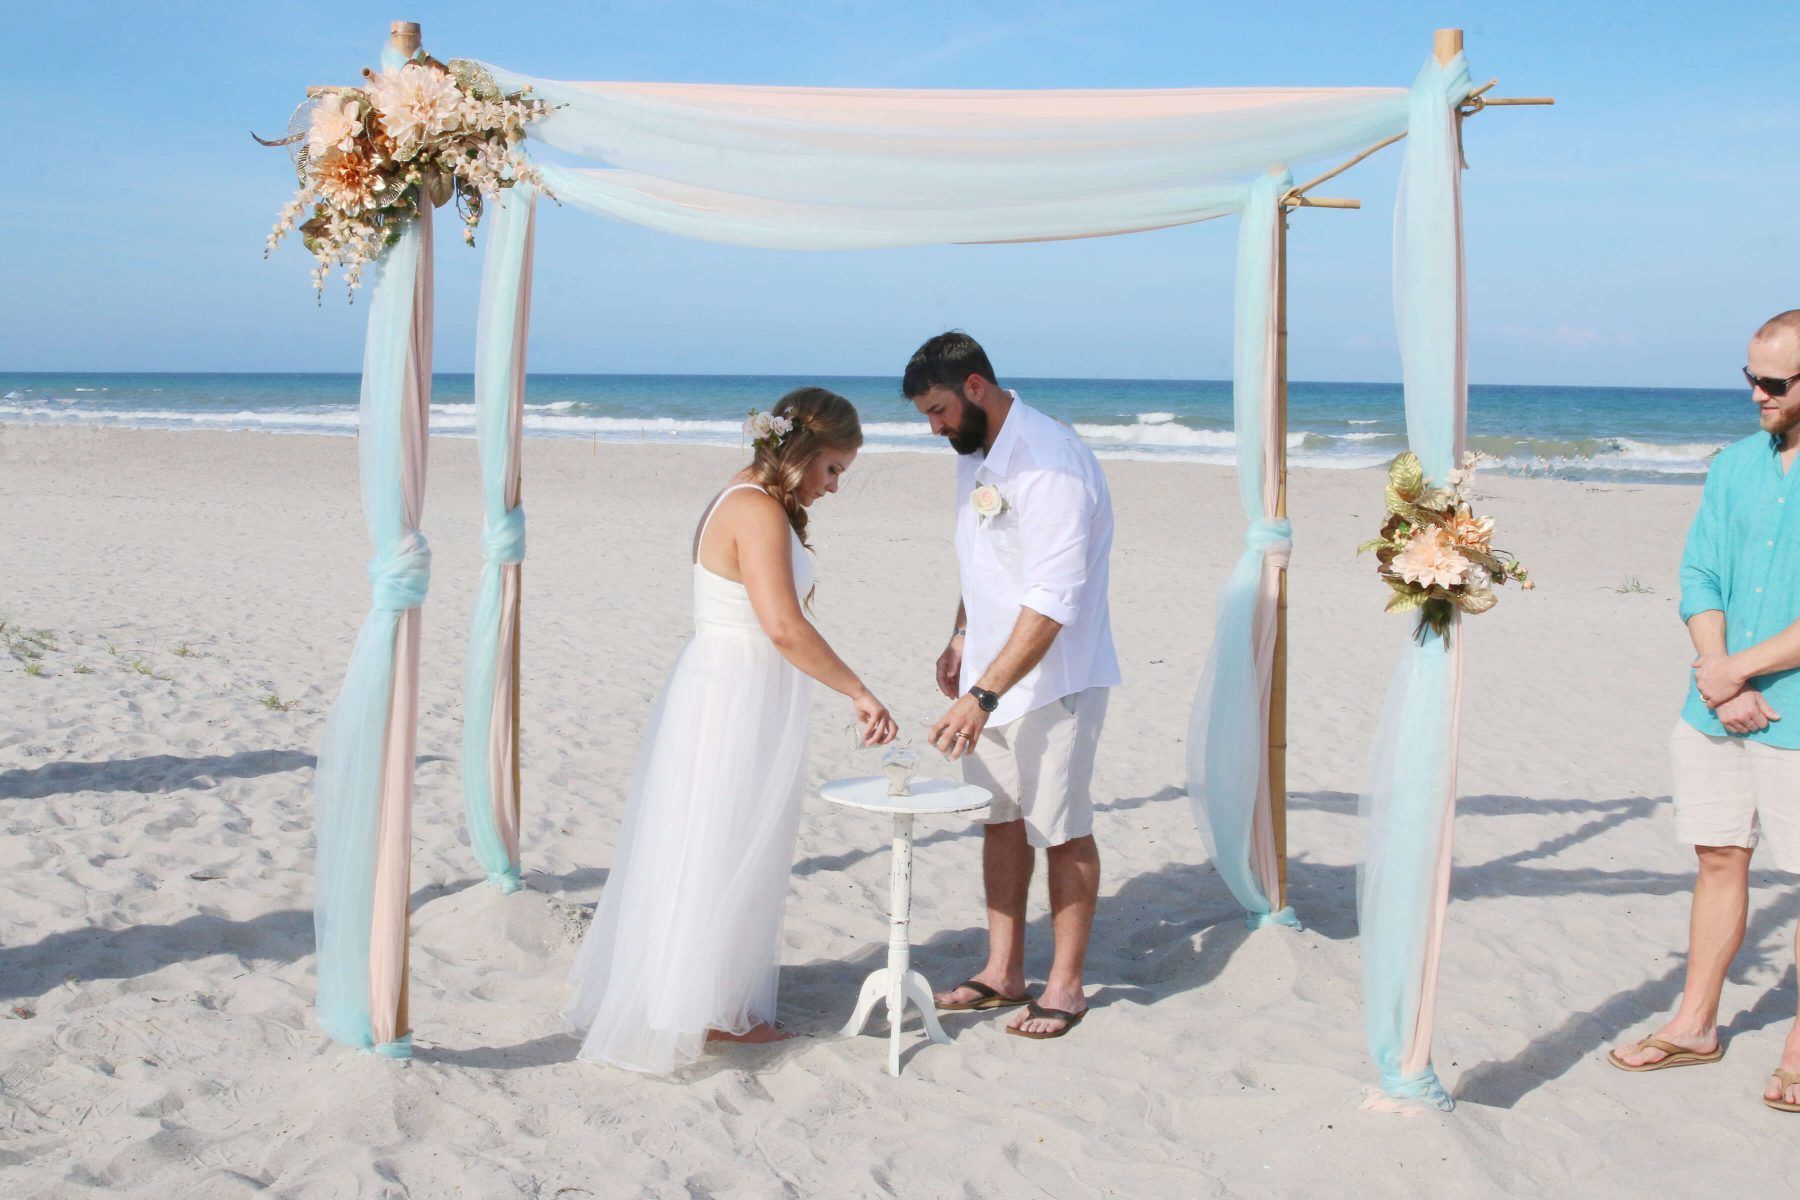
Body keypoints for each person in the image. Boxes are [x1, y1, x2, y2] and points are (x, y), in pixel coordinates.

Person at [563, 386, 898, 1074]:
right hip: (734, 692)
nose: (834, 488)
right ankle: (710, 1013)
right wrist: (858, 690)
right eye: (832, 469)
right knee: (718, 842)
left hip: (736, 685)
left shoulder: (751, 501)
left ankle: (702, 997)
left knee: (717, 840)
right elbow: (782, 625)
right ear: (800, 450)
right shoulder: (754, 510)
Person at [905, 331, 1120, 1040]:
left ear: (974, 387)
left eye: (937, 411)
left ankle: (1066, 986)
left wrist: (983, 694)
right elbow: (982, 559)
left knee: (1060, 828)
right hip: (990, 675)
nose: (934, 428)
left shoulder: (1051, 462)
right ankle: (1003, 972)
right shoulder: (974, 454)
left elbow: (1053, 599)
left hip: (1054, 678)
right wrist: (962, 635)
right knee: (999, 820)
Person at [1611, 310, 1800, 1113]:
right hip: (1713, 708)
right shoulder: (1733, 467)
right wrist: (1718, 676)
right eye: (1749, 377)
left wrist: (1739, 671)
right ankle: (1695, 1022)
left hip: (1789, 711)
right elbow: (1700, 574)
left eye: (1775, 383)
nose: (1756, 393)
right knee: (1718, 855)